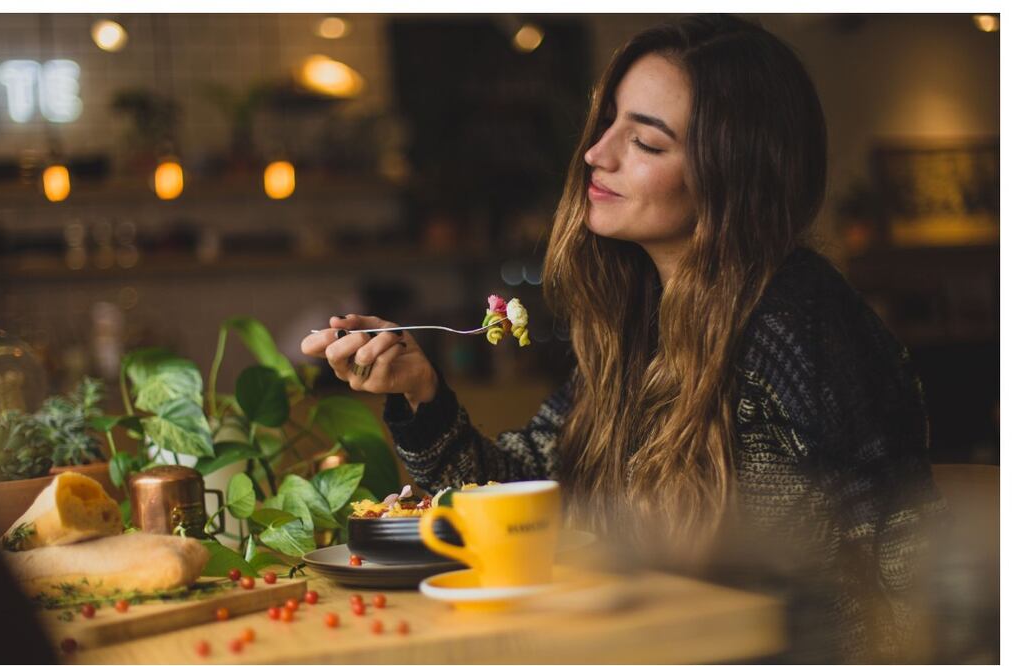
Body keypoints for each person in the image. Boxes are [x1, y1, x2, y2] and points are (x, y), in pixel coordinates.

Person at [301, 14, 943, 661]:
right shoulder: (645, 324)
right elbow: (525, 491)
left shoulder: (796, 321)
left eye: (648, 142)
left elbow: (907, 559)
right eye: (608, 121)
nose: (595, 153)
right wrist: (420, 391)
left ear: (733, 175)